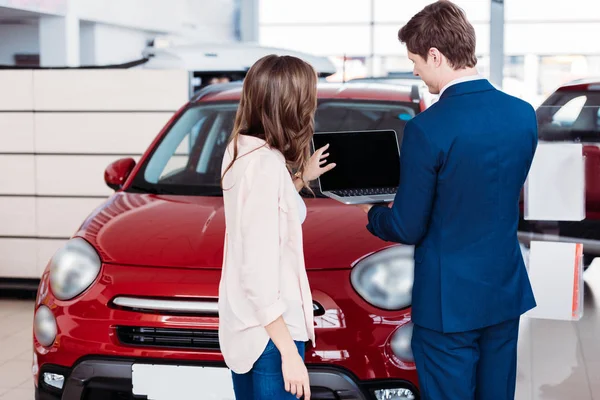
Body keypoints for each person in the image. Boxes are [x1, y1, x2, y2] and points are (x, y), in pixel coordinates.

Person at [358, 2, 538, 399]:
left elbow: (406, 226)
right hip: (503, 290)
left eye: (415, 61)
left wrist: (372, 213)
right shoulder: (523, 115)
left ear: (435, 55)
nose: (415, 71)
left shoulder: (428, 128)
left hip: (448, 302)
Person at [219, 54, 335, 400]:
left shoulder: (239, 151)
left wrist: (299, 179)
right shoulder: (266, 166)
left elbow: (264, 214)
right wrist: (288, 353)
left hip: (247, 328)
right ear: (291, 104)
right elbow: (258, 272)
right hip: (271, 336)